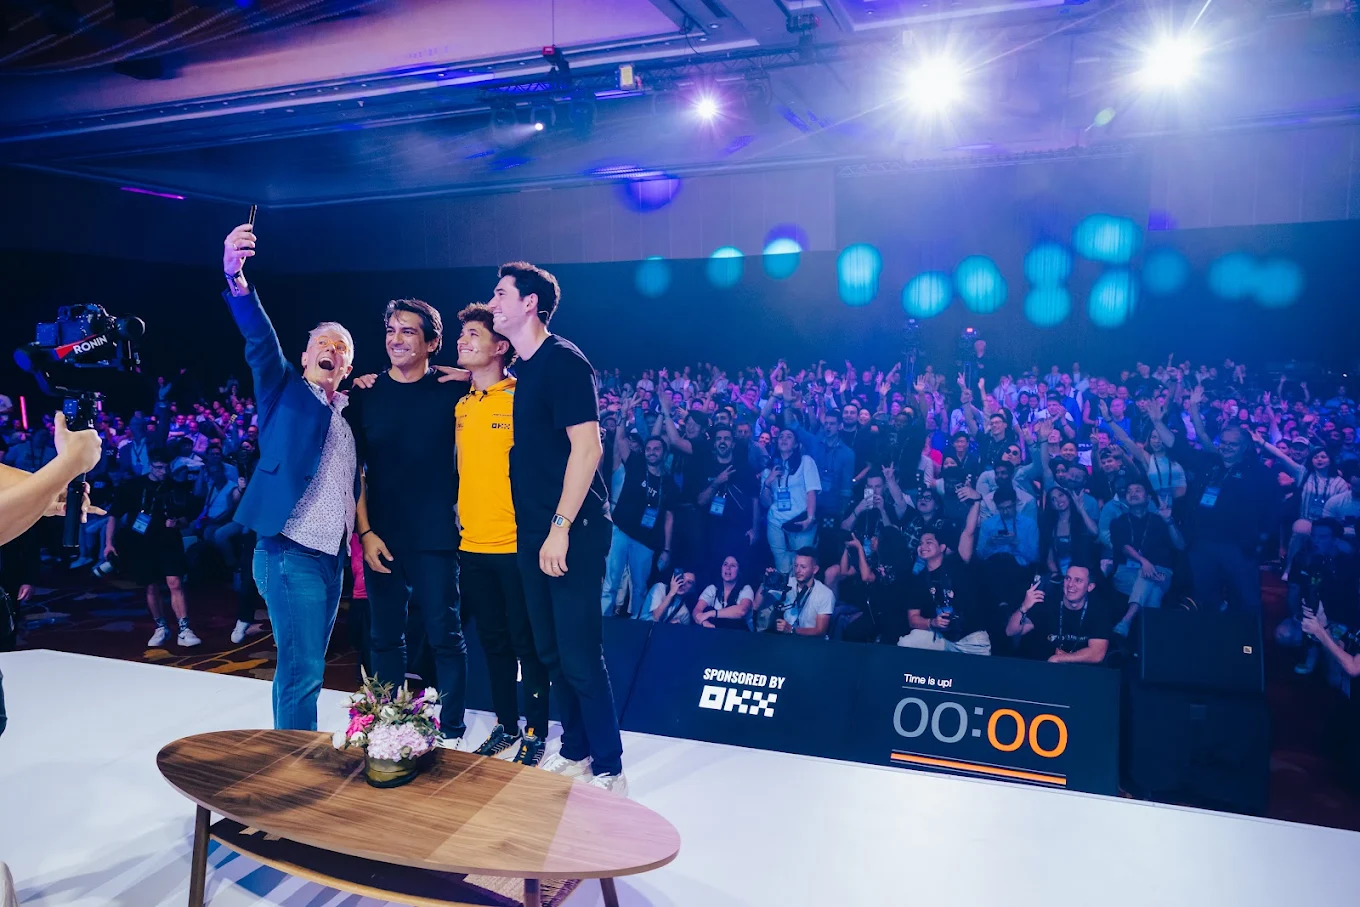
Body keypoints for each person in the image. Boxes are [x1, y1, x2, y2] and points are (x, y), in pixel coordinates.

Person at [489, 261, 627, 795]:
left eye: (501, 294)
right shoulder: (525, 369)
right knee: (549, 653)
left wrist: (560, 527)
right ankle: (575, 749)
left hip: (570, 530)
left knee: (578, 653)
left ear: (529, 303)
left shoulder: (565, 362)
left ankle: (610, 768)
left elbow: (587, 449)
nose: (493, 302)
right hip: (535, 534)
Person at [221, 223, 362, 732]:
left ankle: (285, 756)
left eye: (342, 346)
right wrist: (237, 278)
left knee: (301, 668)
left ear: (348, 364)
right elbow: (260, 340)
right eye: (322, 343)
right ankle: (295, 774)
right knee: (304, 670)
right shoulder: (283, 389)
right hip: (287, 550)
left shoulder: (348, 410)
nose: (331, 348)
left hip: (331, 557)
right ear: (305, 357)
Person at [346, 298, 470, 748]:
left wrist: (471, 375)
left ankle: (452, 730)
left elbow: (503, 382)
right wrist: (365, 532)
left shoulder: (452, 390)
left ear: (432, 343)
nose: (396, 340)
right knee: (383, 637)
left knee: (444, 633)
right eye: (391, 330)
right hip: (382, 534)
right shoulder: (365, 393)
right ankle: (387, 720)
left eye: (408, 332)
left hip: (437, 532)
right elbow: (354, 469)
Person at [449, 303, 551, 765]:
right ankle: (505, 726)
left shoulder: (522, 397)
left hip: (516, 546)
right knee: (492, 642)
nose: (463, 340)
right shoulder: (462, 405)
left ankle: (535, 731)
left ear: (500, 345)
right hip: (472, 545)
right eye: (462, 335)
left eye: (473, 334)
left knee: (527, 645)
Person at [104, 449, 200, 647]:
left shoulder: (176, 487)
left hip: (169, 541)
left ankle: (184, 628)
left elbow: (187, 518)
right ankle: (160, 626)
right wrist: (109, 544)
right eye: (158, 467)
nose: (163, 471)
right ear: (150, 466)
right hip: (141, 542)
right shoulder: (132, 486)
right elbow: (114, 515)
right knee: (151, 585)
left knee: (175, 582)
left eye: (166, 467)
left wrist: (177, 522)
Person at [602, 431, 678, 619]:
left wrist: (667, 549)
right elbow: (620, 439)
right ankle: (602, 623)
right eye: (649, 449)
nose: (651, 452)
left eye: (656, 449)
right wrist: (624, 416)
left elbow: (669, 517)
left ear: (664, 453)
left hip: (646, 540)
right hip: (620, 530)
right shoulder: (636, 464)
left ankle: (635, 627)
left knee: (639, 587)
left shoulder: (669, 483)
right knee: (611, 582)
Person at [897, 503, 991, 655]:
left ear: (942, 547)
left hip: (971, 638)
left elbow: (969, 532)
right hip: (942, 638)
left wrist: (976, 502)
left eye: (929, 542)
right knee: (907, 642)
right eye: (920, 543)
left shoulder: (956, 564)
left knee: (975, 676)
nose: (923, 546)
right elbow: (913, 618)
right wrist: (931, 622)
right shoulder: (918, 579)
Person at [1108, 479, 1183, 636]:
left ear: (1148, 497)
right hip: (1127, 573)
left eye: (1137, 490)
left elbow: (1180, 545)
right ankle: (1150, 639)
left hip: (1161, 571)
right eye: (1129, 491)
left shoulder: (1159, 520)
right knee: (1152, 584)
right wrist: (1144, 562)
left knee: (1148, 578)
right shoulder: (1118, 522)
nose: (1133, 494)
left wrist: (1168, 521)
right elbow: (1124, 547)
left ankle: (1126, 622)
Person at [1006, 564, 1114, 664]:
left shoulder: (1098, 610)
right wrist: (1024, 607)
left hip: (1081, 673)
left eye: (1078, 580)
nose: (1070, 584)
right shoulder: (1048, 603)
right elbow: (1011, 632)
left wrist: (1059, 658)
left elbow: (1097, 653)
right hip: (1046, 671)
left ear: (1090, 587)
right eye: (1068, 578)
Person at [759, 428, 821, 574]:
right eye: (781, 437)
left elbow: (811, 491)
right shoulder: (769, 469)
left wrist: (810, 519)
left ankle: (801, 596)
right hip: (776, 524)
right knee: (782, 568)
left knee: (802, 569)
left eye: (789, 437)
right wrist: (768, 482)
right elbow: (765, 503)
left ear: (796, 444)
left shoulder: (806, 462)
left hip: (800, 522)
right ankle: (787, 597)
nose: (784, 439)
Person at [752, 547, 834, 636]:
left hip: (812, 642)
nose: (798, 570)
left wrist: (792, 630)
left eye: (803, 567)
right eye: (796, 565)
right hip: (787, 638)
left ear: (815, 569)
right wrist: (766, 583)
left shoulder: (825, 593)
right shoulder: (787, 583)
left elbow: (820, 630)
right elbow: (756, 605)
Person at [693, 555, 756, 629]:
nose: (728, 568)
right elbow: (696, 611)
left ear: (739, 570)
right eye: (725, 564)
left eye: (733, 565)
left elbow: (742, 611)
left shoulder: (746, 589)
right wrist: (704, 622)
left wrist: (710, 614)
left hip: (742, 635)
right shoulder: (712, 589)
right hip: (717, 633)